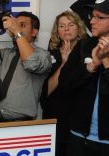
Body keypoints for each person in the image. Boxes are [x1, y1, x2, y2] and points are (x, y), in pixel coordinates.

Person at [58, 1, 109, 155]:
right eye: (92, 16)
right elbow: (65, 85)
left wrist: (106, 62)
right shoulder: (84, 46)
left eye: (99, 17)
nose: (92, 21)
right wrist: (92, 66)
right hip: (78, 138)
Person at [0, 12, 52, 122]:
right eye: (16, 24)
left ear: (34, 32)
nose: (17, 27)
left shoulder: (43, 55)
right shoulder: (4, 53)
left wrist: (16, 31)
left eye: (22, 25)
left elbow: (31, 63)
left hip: (20, 123)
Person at [40, 11, 87, 156]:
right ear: (57, 31)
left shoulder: (88, 53)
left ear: (78, 28)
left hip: (79, 123)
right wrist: (64, 63)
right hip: (54, 119)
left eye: (71, 24)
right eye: (62, 25)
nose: (66, 29)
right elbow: (45, 92)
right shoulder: (50, 54)